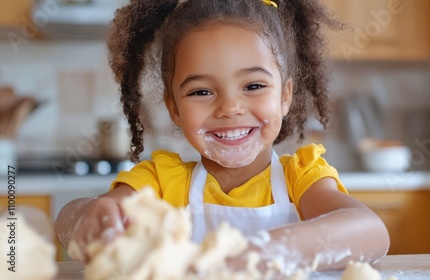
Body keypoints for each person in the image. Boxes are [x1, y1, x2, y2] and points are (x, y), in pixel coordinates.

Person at [55, 0, 389, 271]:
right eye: (201, 91)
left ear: (285, 96)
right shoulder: (163, 182)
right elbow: (67, 219)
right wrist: (93, 218)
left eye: (254, 86)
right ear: (173, 107)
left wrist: (266, 250)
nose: (230, 107)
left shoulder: (300, 179)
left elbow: (372, 233)